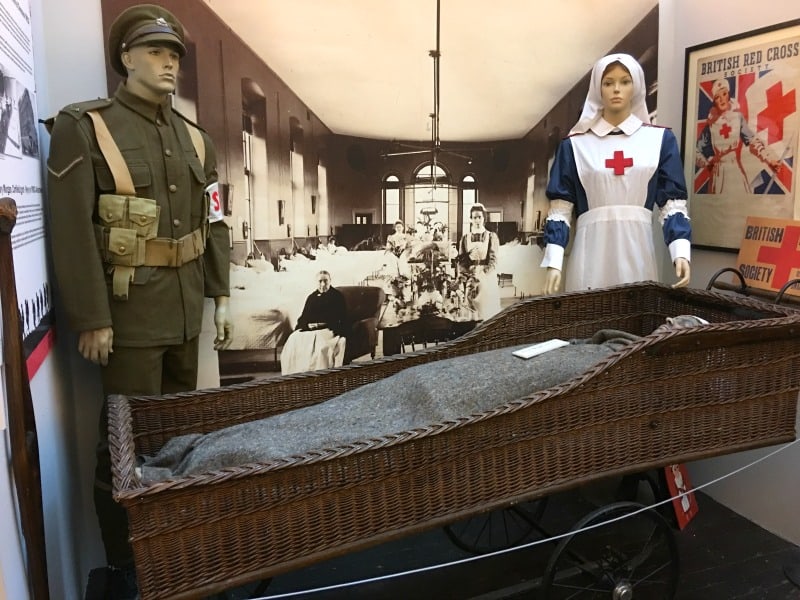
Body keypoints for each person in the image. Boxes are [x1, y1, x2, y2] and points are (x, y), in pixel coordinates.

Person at [45, 4, 232, 597]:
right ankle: (128, 563)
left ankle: (173, 552)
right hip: (127, 317)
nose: (168, 63)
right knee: (125, 444)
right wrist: (91, 317)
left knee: (178, 439)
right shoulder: (87, 125)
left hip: (182, 312)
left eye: (174, 54)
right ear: (125, 58)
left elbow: (215, 220)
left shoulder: (195, 138)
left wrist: (219, 294)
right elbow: (70, 226)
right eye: (155, 52)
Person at [541, 53, 692, 294]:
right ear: (598, 88)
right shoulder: (575, 146)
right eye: (608, 82)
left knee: (635, 321)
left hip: (638, 251)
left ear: (637, 86)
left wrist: (680, 250)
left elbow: (671, 204)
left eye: (625, 81)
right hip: (590, 253)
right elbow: (561, 210)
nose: (616, 89)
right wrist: (554, 261)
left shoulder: (659, 140)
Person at [695, 77, 782, 194]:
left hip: (735, 170)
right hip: (718, 174)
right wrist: (707, 164)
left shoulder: (737, 118)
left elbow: (753, 141)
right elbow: (696, 151)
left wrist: (769, 159)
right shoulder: (711, 124)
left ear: (728, 95)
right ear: (714, 101)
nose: (721, 99)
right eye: (717, 97)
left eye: (724, 94)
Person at [280, 270, 347, 374]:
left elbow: (341, 317)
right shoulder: (312, 297)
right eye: (320, 281)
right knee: (294, 338)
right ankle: (297, 374)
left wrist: (321, 325)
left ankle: (319, 375)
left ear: (330, 281)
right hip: (311, 329)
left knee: (320, 345)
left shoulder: (337, 296)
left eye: (326, 281)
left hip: (328, 329)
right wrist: (306, 326)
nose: (323, 284)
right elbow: (304, 316)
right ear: (317, 282)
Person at [457, 203, 501, 320]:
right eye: (474, 217)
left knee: (486, 309)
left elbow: (494, 259)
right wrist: (465, 275)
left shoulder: (491, 236)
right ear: (470, 219)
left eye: (479, 217)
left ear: (484, 219)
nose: (477, 220)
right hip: (470, 275)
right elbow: (462, 260)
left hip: (486, 276)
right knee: (471, 309)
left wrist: (484, 273)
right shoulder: (465, 238)